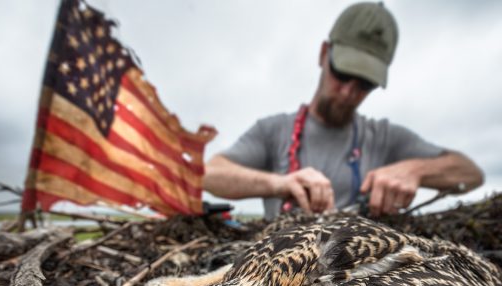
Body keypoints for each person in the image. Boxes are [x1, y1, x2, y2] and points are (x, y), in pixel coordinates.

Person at [204, 2, 483, 219]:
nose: (349, 92)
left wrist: (416, 170)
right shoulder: (272, 131)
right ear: (324, 54)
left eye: (365, 83)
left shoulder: (386, 138)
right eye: (342, 73)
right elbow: (209, 175)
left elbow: (471, 174)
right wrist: (280, 184)